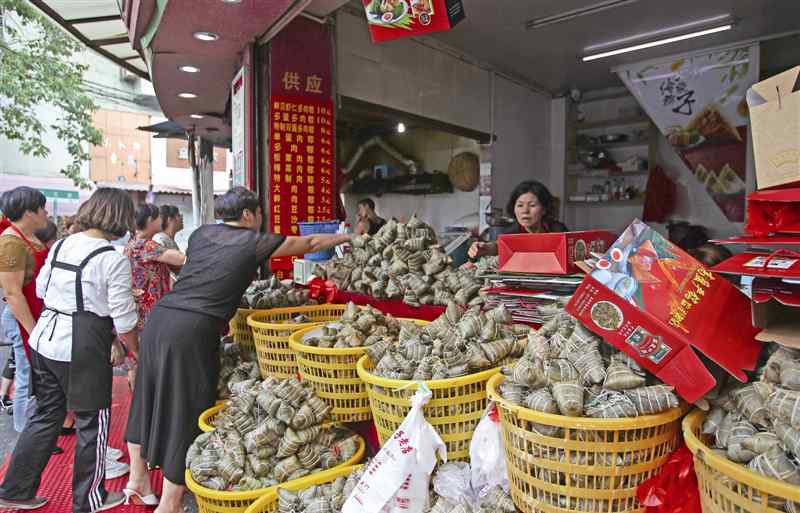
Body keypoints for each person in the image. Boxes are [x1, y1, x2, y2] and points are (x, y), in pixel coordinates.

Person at [124, 186, 352, 513]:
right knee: (187, 410)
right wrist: (346, 238)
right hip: (192, 329)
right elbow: (312, 243)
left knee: (146, 395)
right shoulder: (251, 240)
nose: (260, 220)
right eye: (259, 214)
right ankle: (170, 504)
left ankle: (138, 477)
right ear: (248, 214)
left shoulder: (202, 233)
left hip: (162, 318)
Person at [0, 188, 140, 512]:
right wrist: (136, 353)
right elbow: (123, 317)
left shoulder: (62, 244)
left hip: (45, 337)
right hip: (82, 342)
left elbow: (40, 288)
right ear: (119, 218)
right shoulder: (111, 258)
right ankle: (91, 499)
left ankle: (15, 489)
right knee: (94, 421)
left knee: (46, 415)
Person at [0, 220, 58, 433]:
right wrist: (33, 331)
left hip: (25, 317)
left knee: (28, 373)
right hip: (19, 318)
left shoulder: (28, 246)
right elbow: (13, 294)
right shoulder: (15, 244)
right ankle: (23, 430)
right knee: (24, 374)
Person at [468, 180, 567, 259]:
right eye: (520, 205)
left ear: (544, 209)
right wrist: (485, 248)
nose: (525, 211)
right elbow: (500, 246)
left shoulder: (558, 230)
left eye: (532, 205)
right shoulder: (511, 232)